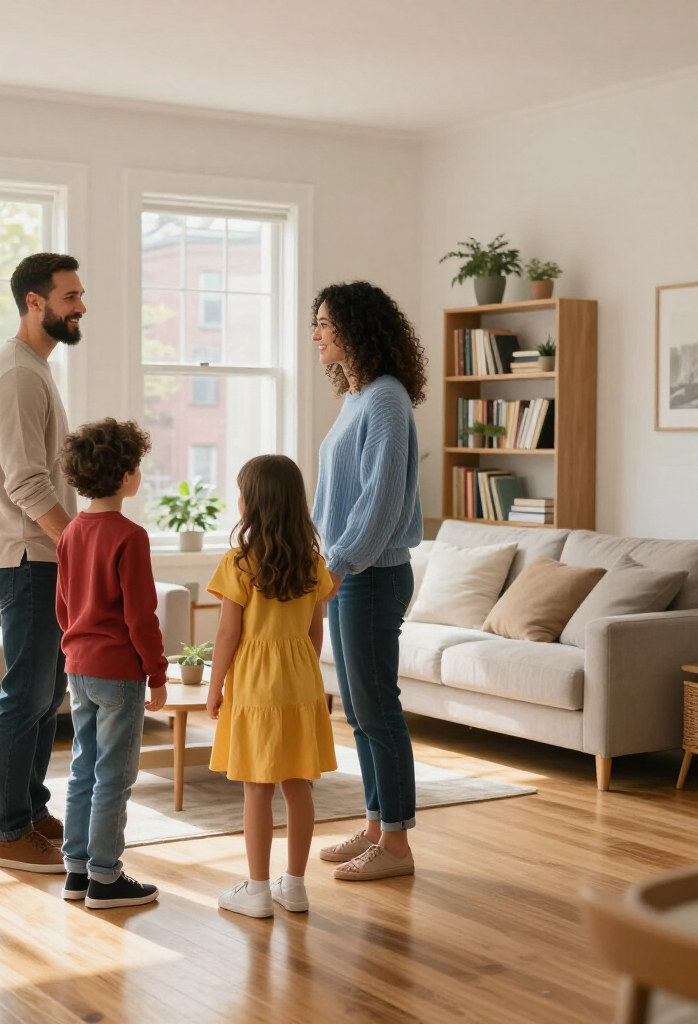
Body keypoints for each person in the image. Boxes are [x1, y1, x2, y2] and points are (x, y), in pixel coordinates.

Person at [0, 252, 85, 873]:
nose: (81, 306)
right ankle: (9, 832)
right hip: (28, 556)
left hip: (40, 556)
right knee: (27, 693)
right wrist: (81, 546)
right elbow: (26, 483)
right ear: (35, 303)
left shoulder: (35, 369)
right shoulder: (17, 374)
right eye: (70, 297)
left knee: (47, 692)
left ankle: (30, 809)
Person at [311, 281, 426, 882]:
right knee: (357, 711)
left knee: (378, 710)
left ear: (354, 329)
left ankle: (398, 847)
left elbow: (379, 503)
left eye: (325, 324)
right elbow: (336, 494)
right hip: (350, 573)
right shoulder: (357, 397)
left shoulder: (385, 399)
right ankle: (378, 825)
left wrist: (338, 563)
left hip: (371, 576)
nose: (317, 335)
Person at [206, 455, 337, 919]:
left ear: (254, 504)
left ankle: (258, 890)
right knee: (298, 785)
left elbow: (227, 634)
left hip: (255, 685)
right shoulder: (312, 562)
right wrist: (306, 670)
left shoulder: (238, 562)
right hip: (300, 680)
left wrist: (215, 685)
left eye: (240, 491)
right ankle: (295, 887)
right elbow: (316, 630)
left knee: (256, 789)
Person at [55, 418, 168, 909]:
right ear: (125, 475)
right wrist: (157, 672)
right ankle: (105, 877)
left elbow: (63, 607)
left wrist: (76, 646)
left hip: (77, 667)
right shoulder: (131, 536)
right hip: (118, 672)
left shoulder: (71, 533)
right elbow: (141, 616)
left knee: (84, 767)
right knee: (114, 775)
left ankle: (76, 871)